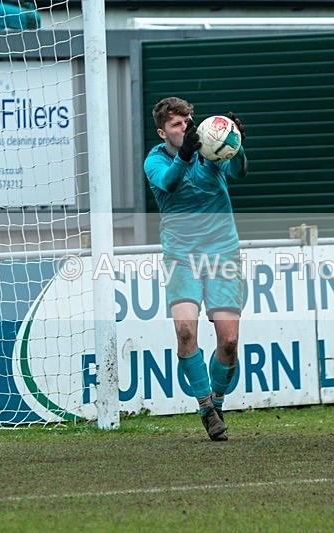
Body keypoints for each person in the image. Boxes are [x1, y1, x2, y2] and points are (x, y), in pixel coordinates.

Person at [143, 97, 248, 441]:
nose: (185, 128)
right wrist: (186, 155)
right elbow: (169, 183)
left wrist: (236, 146)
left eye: (187, 121)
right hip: (181, 256)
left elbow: (239, 172)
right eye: (176, 124)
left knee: (229, 342)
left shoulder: (210, 151)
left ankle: (217, 401)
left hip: (223, 253)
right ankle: (205, 408)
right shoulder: (154, 161)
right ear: (163, 132)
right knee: (186, 332)